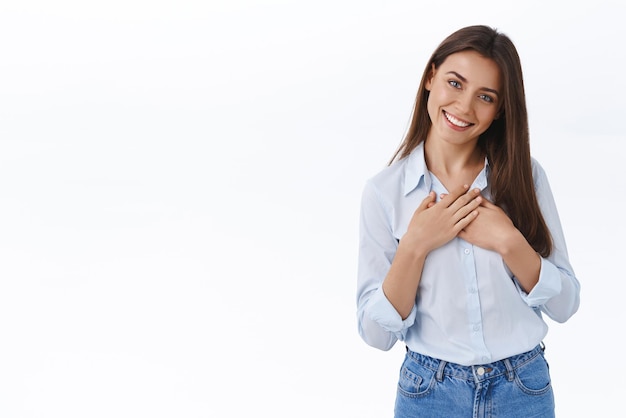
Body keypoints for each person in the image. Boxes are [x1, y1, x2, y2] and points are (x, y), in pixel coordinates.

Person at [356, 25, 580, 417]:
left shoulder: (526, 178)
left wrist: (509, 243)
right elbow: (376, 334)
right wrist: (415, 245)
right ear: (430, 77)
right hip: (429, 392)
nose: (464, 107)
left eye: (485, 97)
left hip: (522, 388)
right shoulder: (384, 192)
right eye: (455, 83)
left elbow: (565, 305)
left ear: (501, 109)